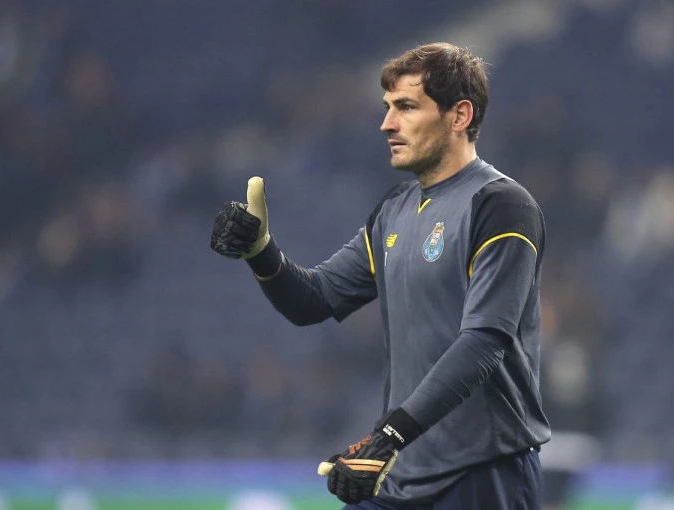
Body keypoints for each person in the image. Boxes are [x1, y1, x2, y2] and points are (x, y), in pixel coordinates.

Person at [210, 42, 549, 509]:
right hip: (403, 470)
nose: (387, 123)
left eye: (406, 107)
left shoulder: (501, 205)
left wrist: (389, 434)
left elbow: (483, 343)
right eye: (388, 107)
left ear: (459, 116)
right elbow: (313, 299)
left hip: (484, 472)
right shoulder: (394, 210)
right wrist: (260, 251)